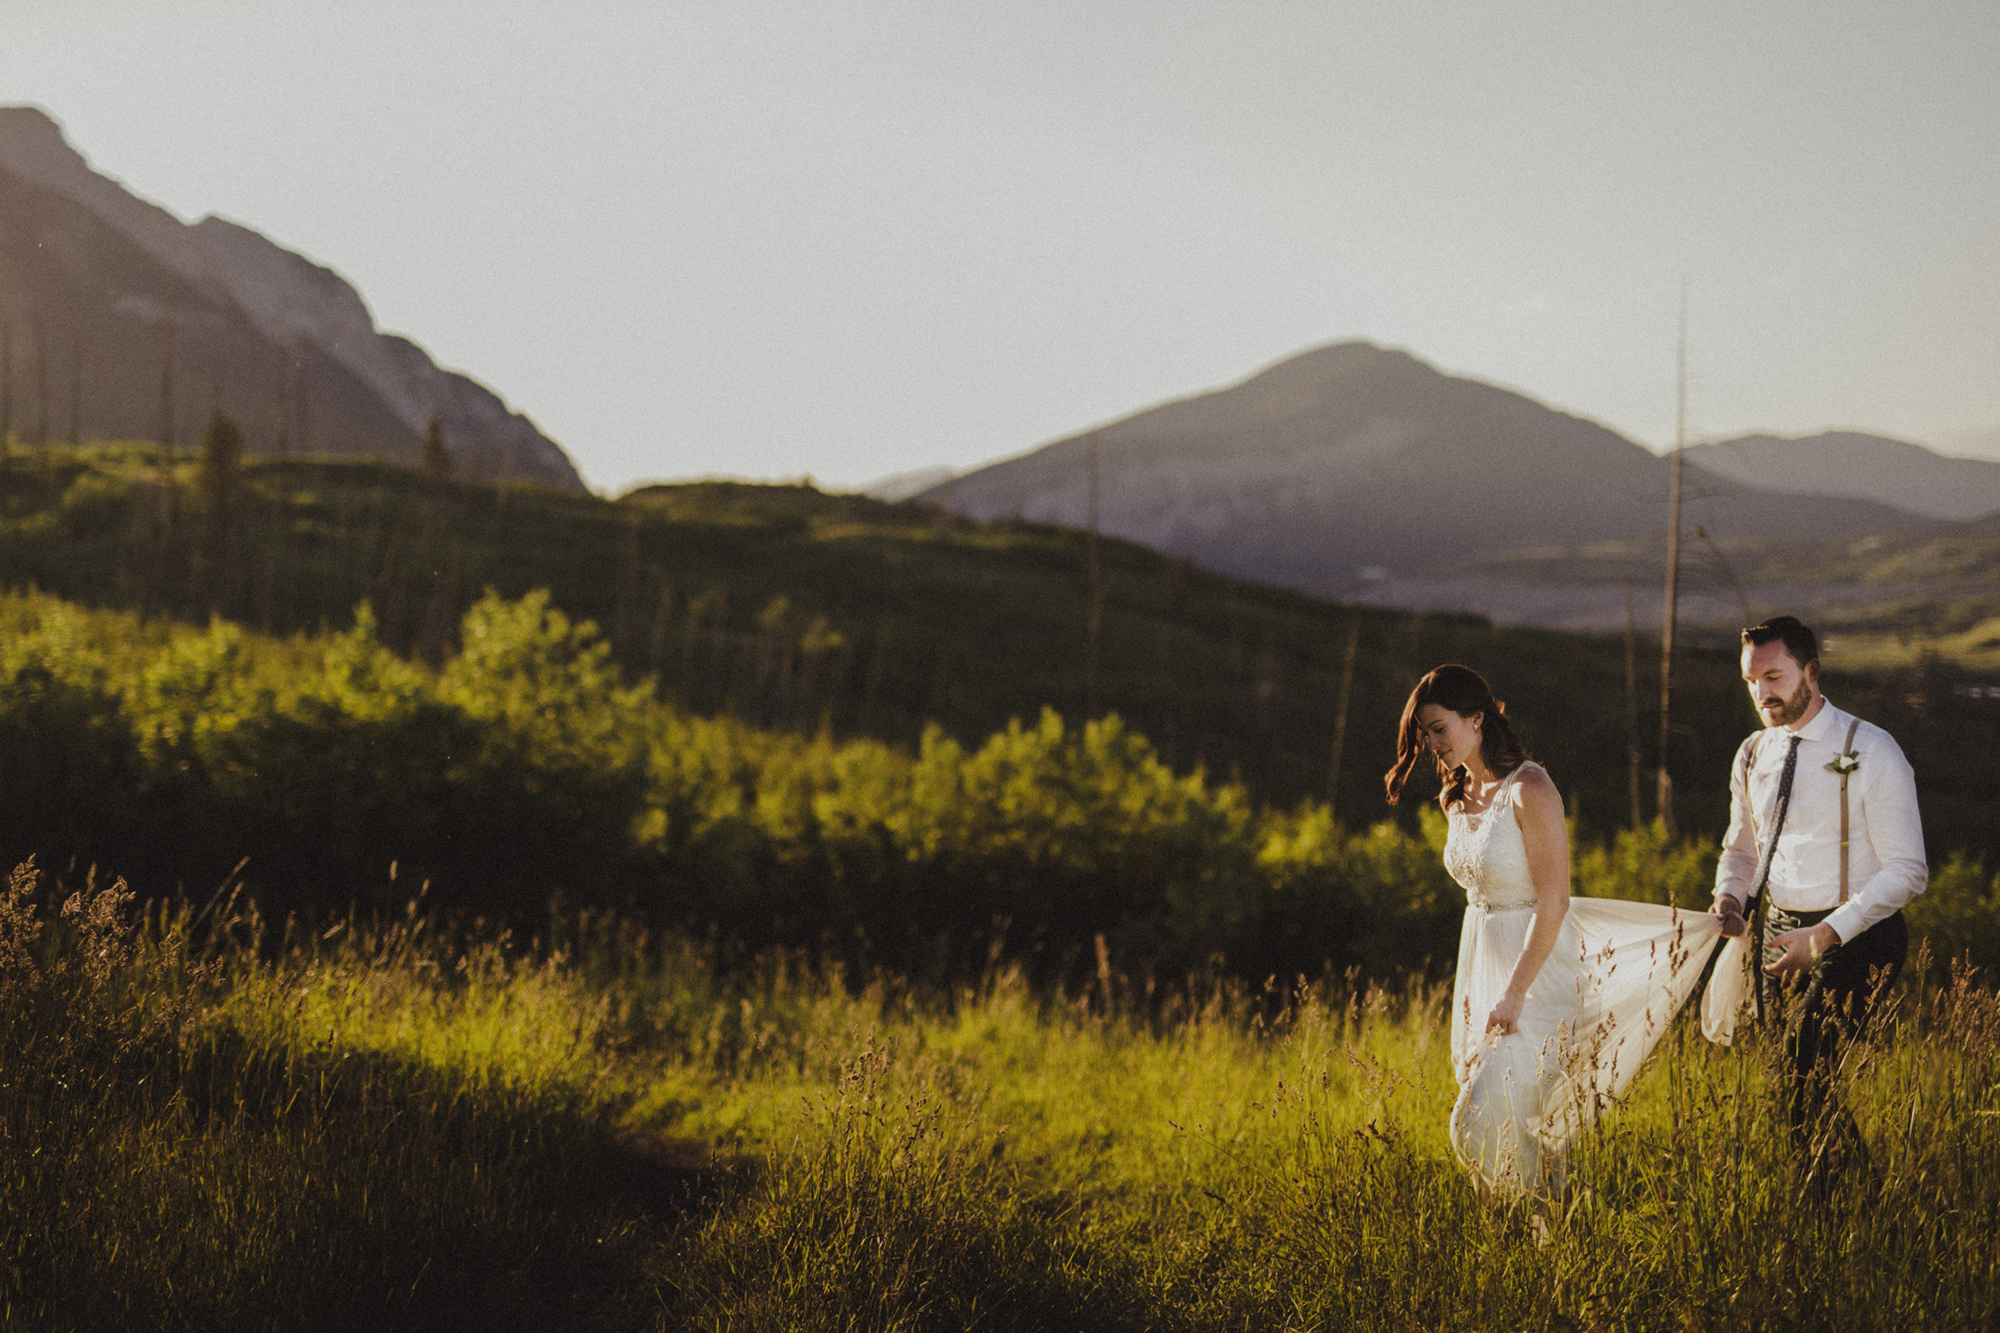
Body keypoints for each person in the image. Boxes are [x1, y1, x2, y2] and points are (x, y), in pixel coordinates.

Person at [1386, 665, 1724, 1197]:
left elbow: (1555, 899)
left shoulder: (1529, 787)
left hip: (1536, 978)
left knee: (1473, 1124)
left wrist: (1514, 994)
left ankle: (1549, 1212)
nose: (1432, 744)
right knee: (1501, 1124)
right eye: (1424, 733)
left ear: (1476, 719)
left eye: (1438, 728)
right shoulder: (1458, 793)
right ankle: (1549, 1237)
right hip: (1482, 964)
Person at [1708, 616, 1925, 1150]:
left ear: (1812, 670)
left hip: (1859, 935)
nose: (1761, 693)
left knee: (1803, 1065)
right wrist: (1730, 896)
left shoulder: (1872, 750)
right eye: (1751, 682)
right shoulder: (1752, 752)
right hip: (1777, 932)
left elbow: (1909, 870)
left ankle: (1846, 1208)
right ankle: (1843, 1206)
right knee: (1793, 1083)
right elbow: (1742, 846)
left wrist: (1826, 935)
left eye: (1774, 677)